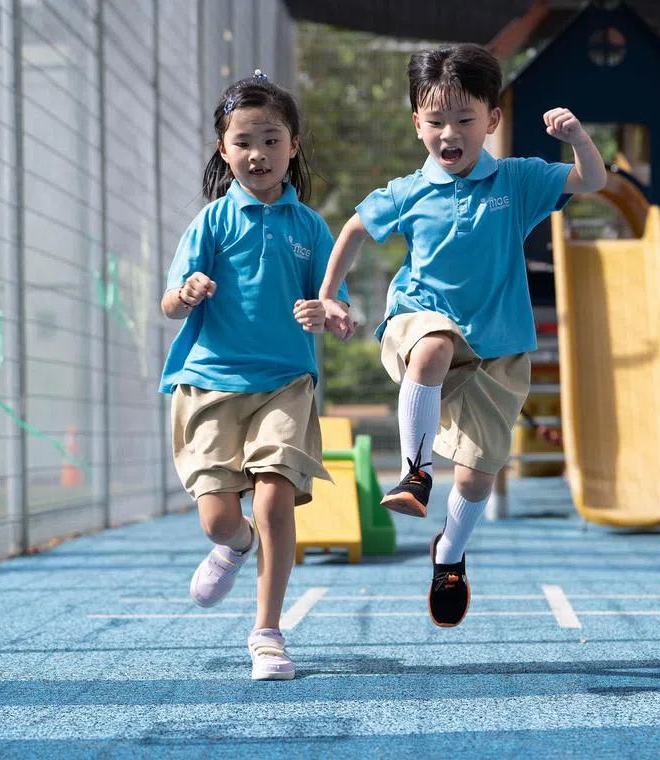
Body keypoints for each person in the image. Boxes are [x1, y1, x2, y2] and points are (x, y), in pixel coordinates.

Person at [318, 43, 606, 628]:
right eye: (435, 120)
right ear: (417, 123)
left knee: (477, 477)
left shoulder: (519, 180)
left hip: (497, 348)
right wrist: (330, 294)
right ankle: (416, 471)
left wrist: (577, 137)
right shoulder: (407, 191)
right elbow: (352, 229)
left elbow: (592, 180)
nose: (449, 132)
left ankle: (449, 553)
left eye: (464, 119)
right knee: (432, 346)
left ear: (492, 121)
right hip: (419, 316)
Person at [159, 70, 349, 681]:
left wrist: (331, 312)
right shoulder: (211, 222)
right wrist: (186, 294)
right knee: (219, 516)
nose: (257, 153)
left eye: (271, 140)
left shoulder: (310, 228)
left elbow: (337, 303)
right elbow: (168, 302)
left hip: (285, 383)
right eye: (243, 141)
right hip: (210, 383)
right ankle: (234, 545)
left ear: (293, 145)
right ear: (224, 149)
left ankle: (267, 633)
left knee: (274, 498)